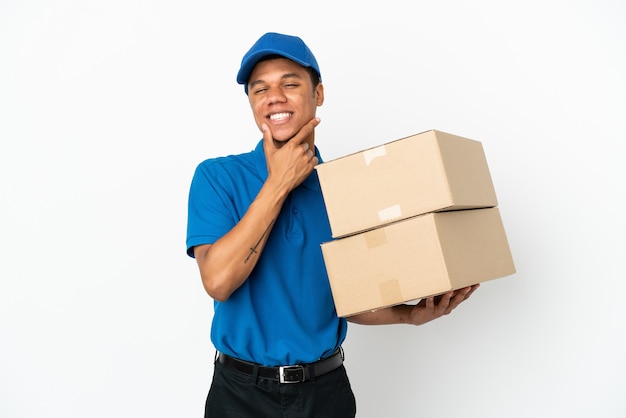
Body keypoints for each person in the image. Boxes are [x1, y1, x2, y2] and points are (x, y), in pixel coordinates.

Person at [186, 32, 480, 418]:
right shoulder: (217, 177)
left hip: (325, 393)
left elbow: (346, 299)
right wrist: (279, 183)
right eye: (260, 90)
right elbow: (219, 281)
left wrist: (409, 315)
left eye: (290, 84)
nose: (274, 97)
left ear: (318, 93)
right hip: (240, 396)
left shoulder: (347, 190)